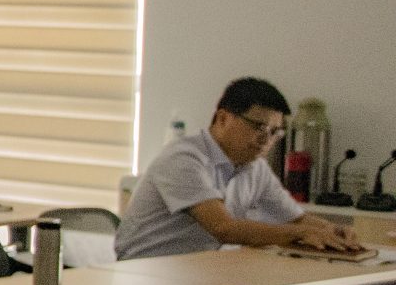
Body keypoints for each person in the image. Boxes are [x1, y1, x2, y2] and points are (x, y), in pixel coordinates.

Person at [118, 78, 363, 259]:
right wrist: (301, 233)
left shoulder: (255, 167)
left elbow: (295, 218)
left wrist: (333, 231)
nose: (266, 139)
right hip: (145, 274)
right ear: (223, 118)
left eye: (275, 132)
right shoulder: (184, 158)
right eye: (259, 127)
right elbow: (223, 228)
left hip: (199, 272)